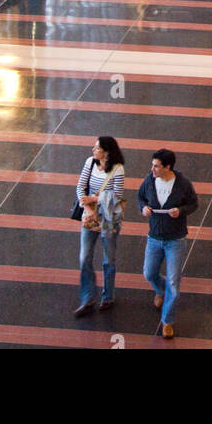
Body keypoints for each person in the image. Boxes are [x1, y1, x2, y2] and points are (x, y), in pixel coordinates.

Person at [138, 149, 199, 339]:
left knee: (173, 281)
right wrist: (144, 208)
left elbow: (193, 204)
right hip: (154, 237)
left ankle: (167, 321)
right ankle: (160, 290)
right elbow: (140, 197)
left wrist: (180, 211)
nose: (152, 169)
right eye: (152, 165)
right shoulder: (149, 180)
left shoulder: (182, 184)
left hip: (175, 240)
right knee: (149, 273)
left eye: (156, 166)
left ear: (167, 167)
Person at [74, 135, 127, 316]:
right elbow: (80, 187)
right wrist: (87, 208)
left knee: (108, 260)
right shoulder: (89, 163)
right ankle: (87, 297)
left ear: (107, 152)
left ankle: (107, 296)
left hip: (109, 219)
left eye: (97, 148)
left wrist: (94, 198)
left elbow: (116, 196)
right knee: (84, 257)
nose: (93, 150)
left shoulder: (118, 170)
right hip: (90, 217)